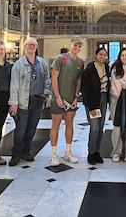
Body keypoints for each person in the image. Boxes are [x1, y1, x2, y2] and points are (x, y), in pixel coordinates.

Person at [8, 37, 51, 166]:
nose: (31, 47)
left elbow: (47, 79)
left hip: (38, 100)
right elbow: (14, 84)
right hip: (23, 101)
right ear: (25, 47)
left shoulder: (42, 63)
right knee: (20, 129)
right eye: (29, 45)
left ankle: (26, 152)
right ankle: (15, 154)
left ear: (36, 47)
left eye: (34, 45)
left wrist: (45, 94)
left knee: (32, 128)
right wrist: (14, 102)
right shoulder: (18, 65)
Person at [49, 36, 85, 166]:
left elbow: (78, 81)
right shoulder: (61, 59)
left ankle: (68, 152)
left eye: (79, 46)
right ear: (71, 45)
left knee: (70, 124)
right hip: (58, 98)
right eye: (75, 45)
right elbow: (54, 78)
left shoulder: (81, 62)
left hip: (71, 99)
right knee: (55, 125)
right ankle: (53, 154)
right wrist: (58, 97)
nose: (77, 48)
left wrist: (76, 97)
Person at [81, 47, 110, 165]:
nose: (102, 57)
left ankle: (97, 151)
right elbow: (85, 88)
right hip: (93, 101)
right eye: (100, 54)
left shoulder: (107, 68)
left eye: (104, 55)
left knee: (101, 127)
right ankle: (91, 152)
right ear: (96, 55)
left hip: (103, 99)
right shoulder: (89, 69)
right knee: (95, 127)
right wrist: (90, 105)